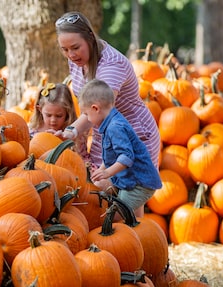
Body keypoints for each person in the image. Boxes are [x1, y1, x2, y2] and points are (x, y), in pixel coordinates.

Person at [55, 11, 161, 171]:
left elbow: (98, 110)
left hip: (133, 139)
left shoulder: (112, 66)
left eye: (75, 47)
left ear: (90, 36)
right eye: (65, 49)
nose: (71, 55)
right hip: (103, 139)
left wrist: (71, 131)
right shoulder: (78, 59)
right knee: (98, 193)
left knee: (121, 194)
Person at [79, 79, 162, 217]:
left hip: (139, 184)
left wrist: (107, 173)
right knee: (103, 193)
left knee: (115, 217)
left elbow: (126, 157)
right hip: (128, 179)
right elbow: (114, 154)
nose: (87, 119)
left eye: (86, 114)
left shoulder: (114, 127)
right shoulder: (110, 121)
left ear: (95, 108)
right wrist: (102, 169)